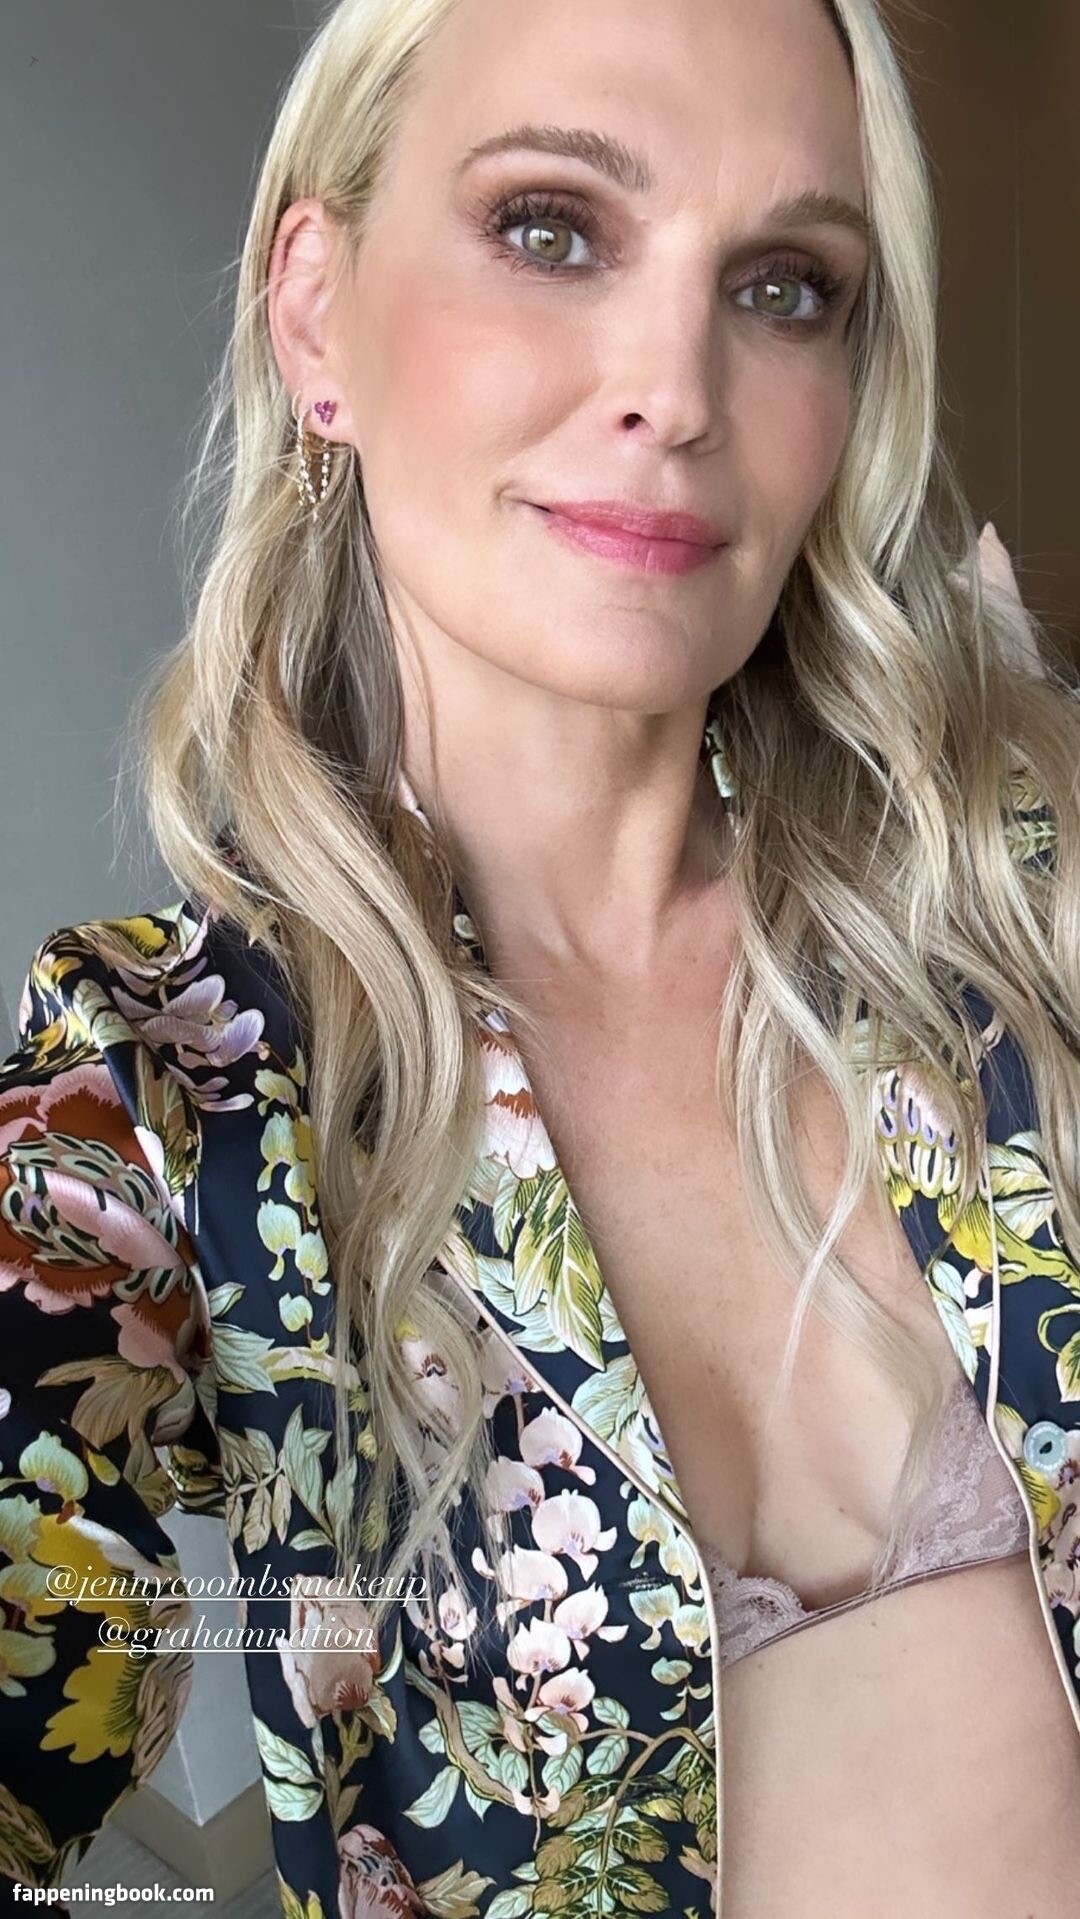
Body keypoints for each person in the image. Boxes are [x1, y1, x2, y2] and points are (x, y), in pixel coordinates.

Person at [2, 0, 1079, 1912]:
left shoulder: (998, 903)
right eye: (551, 228)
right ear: (316, 311)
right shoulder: (162, 1091)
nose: (676, 386)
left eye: (785, 285)